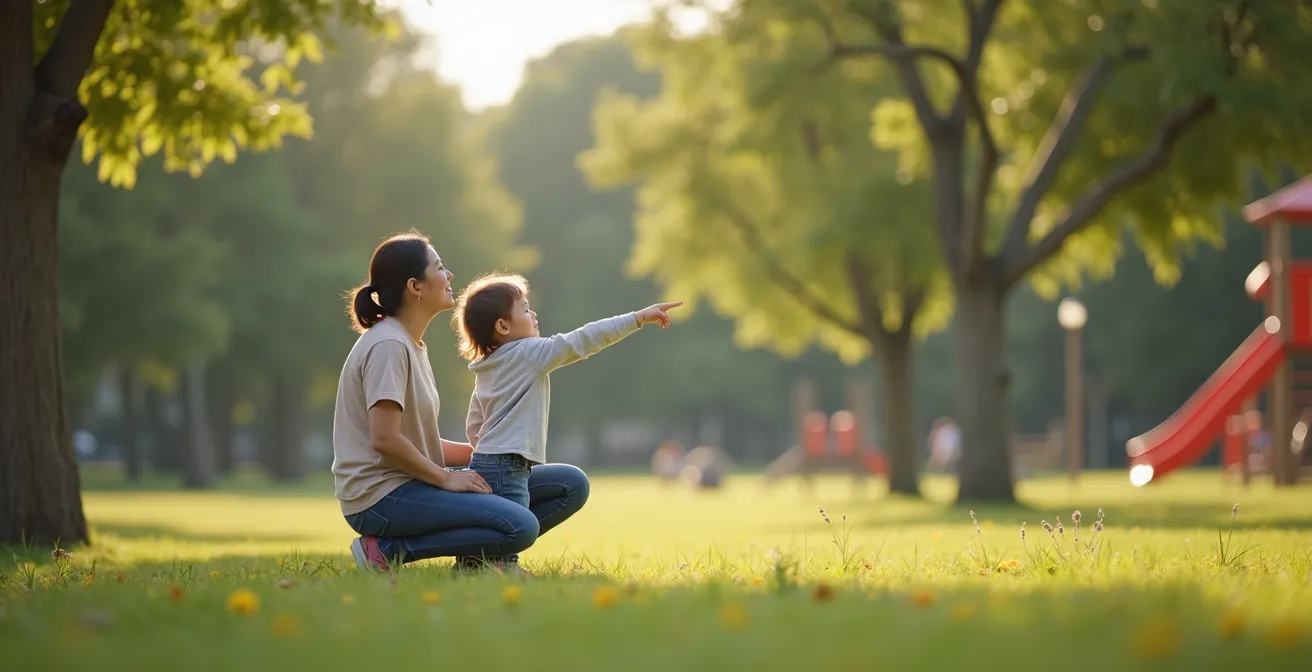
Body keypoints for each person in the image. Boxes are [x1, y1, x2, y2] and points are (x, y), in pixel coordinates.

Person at [331, 231, 589, 574]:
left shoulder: (410, 344)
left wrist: (485, 454)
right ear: (415, 286)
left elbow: (414, 441)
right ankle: (387, 550)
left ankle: (479, 562)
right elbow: (385, 439)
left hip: (410, 481)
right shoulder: (388, 346)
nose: (450, 274)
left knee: (569, 484)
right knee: (520, 526)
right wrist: (444, 478)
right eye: (439, 267)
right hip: (380, 497)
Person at [452, 272, 682, 568]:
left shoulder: (486, 366)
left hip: (491, 462)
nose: (533, 314)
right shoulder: (528, 353)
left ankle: (478, 559)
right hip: (506, 464)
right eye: (525, 309)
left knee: (553, 494)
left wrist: (486, 454)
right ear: (503, 326)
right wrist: (637, 318)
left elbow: (474, 425)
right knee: (511, 531)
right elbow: (583, 339)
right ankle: (498, 565)